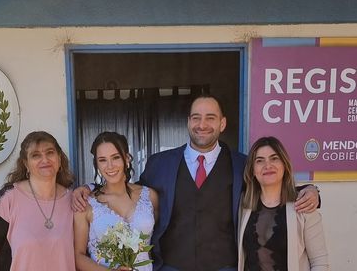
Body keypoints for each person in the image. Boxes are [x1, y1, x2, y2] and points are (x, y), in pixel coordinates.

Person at [73, 94, 319, 271]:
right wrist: (89, 188)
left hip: (224, 265)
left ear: (222, 124)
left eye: (210, 118)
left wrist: (310, 190)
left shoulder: (241, 164)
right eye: (196, 117)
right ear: (188, 121)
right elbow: (126, 188)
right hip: (171, 265)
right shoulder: (160, 163)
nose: (202, 125)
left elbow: (270, 188)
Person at [0, 131, 76, 271]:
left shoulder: (73, 200)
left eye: (50, 153)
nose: (45, 160)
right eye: (36, 155)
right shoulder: (9, 197)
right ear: (26, 164)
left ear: (59, 158)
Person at [238, 136, 329, 270]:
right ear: (252, 170)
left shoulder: (304, 204)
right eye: (259, 161)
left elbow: (320, 262)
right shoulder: (243, 205)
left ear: (284, 165)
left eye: (274, 158)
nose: (267, 165)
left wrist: (312, 189)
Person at [74, 131, 159, 271]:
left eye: (115, 157)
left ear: (127, 159)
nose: (110, 166)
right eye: (102, 160)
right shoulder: (86, 204)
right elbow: (78, 256)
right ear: (97, 164)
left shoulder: (150, 196)